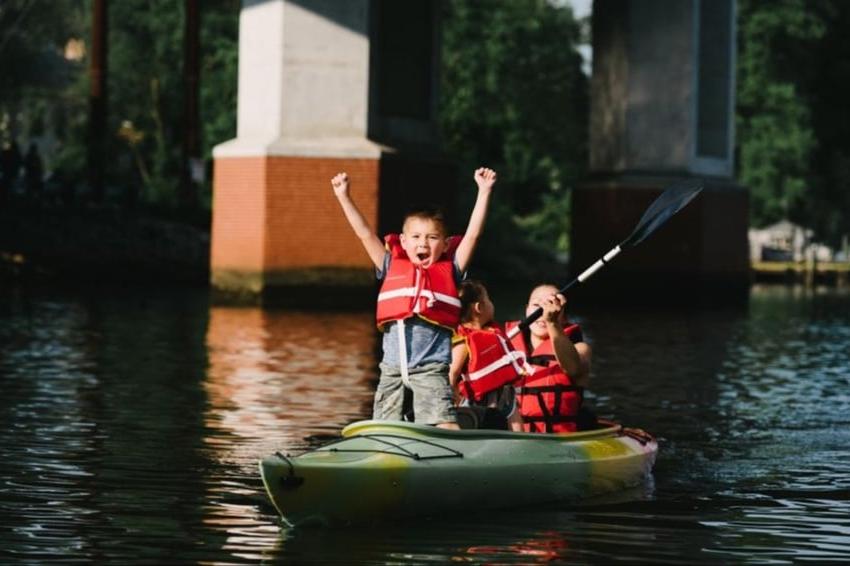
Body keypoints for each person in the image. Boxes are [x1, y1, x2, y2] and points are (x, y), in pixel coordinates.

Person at [331, 167, 497, 429]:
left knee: (445, 426)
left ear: (444, 244)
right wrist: (344, 196)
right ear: (404, 242)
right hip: (391, 371)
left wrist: (484, 191)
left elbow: (474, 234)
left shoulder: (451, 270)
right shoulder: (389, 265)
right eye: (416, 237)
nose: (423, 243)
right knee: (383, 429)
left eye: (432, 238)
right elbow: (364, 233)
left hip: (430, 371)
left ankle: (452, 460)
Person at [506, 284, 593, 433]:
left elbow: (572, 368)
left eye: (551, 305)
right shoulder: (505, 348)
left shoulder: (581, 349)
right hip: (513, 436)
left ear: (563, 316)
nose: (543, 312)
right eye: (536, 305)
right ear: (527, 310)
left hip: (556, 438)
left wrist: (552, 322)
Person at [449, 280, 525, 431]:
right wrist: (450, 401)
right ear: (479, 307)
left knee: (518, 432)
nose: (491, 303)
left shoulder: (491, 333)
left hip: (504, 398)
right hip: (474, 404)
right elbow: (453, 372)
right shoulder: (464, 341)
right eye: (488, 299)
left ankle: (521, 446)